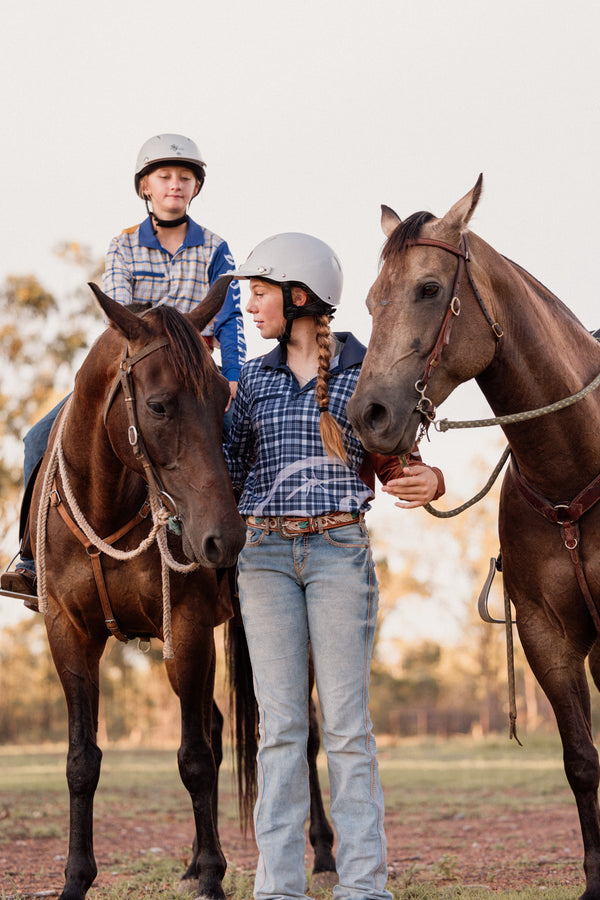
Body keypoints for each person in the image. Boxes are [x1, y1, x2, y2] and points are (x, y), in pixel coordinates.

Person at [224, 232, 444, 900]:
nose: (251, 306)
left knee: (348, 730)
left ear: (300, 297)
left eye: (260, 293)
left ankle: (363, 888)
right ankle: (278, 888)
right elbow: (227, 471)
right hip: (262, 558)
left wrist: (427, 478)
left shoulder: (359, 371)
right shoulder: (253, 383)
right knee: (281, 730)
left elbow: (395, 455)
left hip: (337, 554)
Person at [1, 133, 245, 604]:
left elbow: (231, 314)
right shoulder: (125, 245)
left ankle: (246, 560)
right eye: (165, 177)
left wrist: (232, 374)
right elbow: (123, 308)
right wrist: (165, 334)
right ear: (145, 188)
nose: (175, 185)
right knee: (36, 437)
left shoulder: (216, 248)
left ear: (196, 188)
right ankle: (32, 561)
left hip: (193, 383)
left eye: (185, 178)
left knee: (233, 440)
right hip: (133, 372)